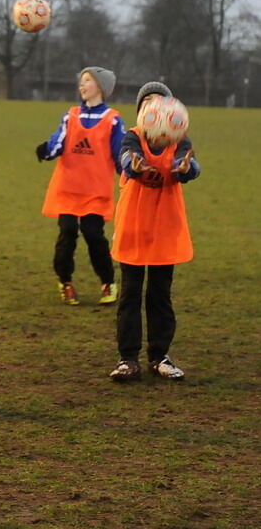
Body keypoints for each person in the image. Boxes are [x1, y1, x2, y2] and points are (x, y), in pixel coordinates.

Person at [109, 82, 199, 382]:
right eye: (148, 102)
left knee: (160, 295)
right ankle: (127, 359)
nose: (155, 107)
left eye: (160, 101)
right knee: (130, 294)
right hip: (134, 226)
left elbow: (188, 167)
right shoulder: (132, 138)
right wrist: (133, 165)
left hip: (165, 228)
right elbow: (126, 159)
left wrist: (184, 169)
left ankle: (160, 356)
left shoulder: (180, 142)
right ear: (141, 112)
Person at [36, 67, 126, 305]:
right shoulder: (71, 115)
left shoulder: (112, 120)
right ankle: (65, 281)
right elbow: (58, 143)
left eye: (87, 81)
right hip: (67, 189)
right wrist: (46, 151)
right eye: (81, 81)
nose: (82, 85)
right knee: (67, 233)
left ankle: (108, 282)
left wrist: (130, 175)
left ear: (101, 87)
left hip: (95, 192)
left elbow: (120, 155)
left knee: (94, 234)